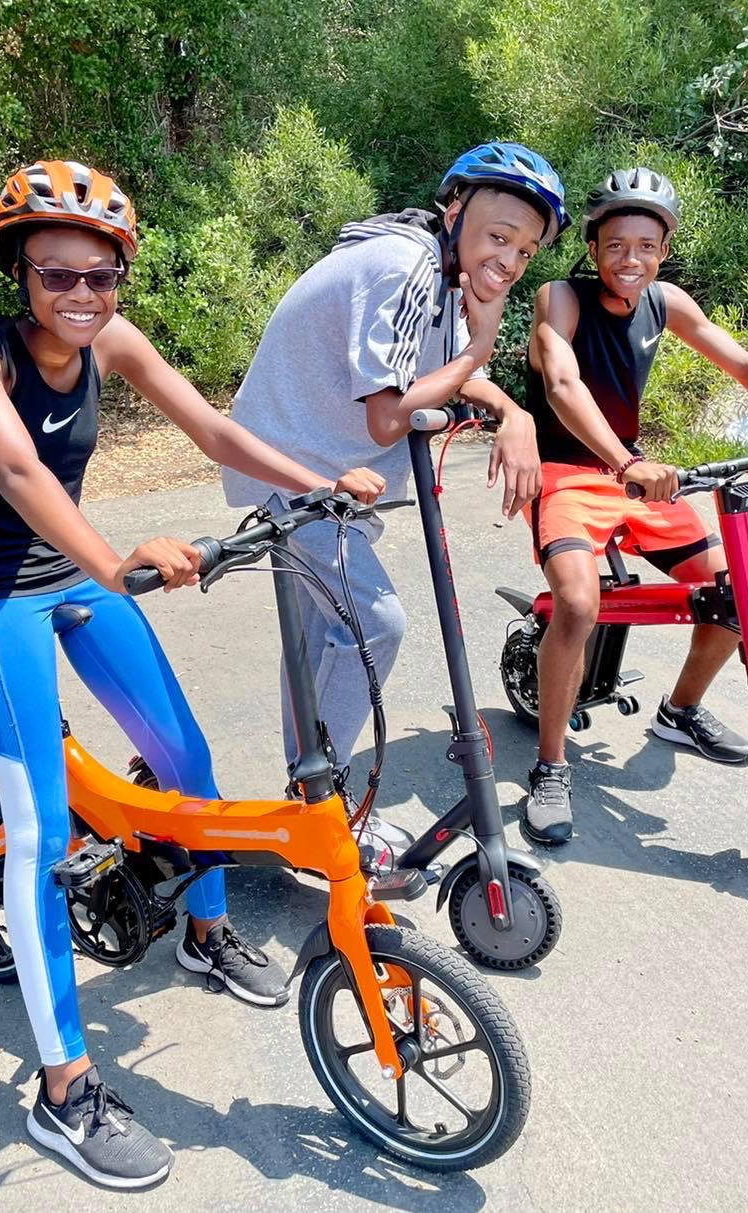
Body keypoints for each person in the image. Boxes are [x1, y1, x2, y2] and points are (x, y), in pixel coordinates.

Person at [0, 159, 384, 1187]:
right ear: (18, 272)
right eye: (57, 274)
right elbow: (16, 469)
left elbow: (215, 429)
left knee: (184, 754)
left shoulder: (113, 341)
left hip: (74, 575)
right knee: (42, 832)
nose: (81, 294)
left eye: (101, 276)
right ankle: (63, 1090)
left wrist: (322, 483)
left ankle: (206, 930)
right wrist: (113, 561)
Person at [520, 166, 748, 844]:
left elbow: (743, 365)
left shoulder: (666, 302)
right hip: (568, 474)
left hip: (636, 477)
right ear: (592, 249)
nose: (631, 259)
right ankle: (551, 766)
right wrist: (625, 462)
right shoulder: (559, 297)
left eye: (646, 246)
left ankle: (679, 712)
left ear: (665, 250)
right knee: (579, 606)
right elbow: (561, 382)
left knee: (740, 594)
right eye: (616, 245)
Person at [223, 142, 567, 809]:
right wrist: (480, 347)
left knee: (322, 633)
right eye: (500, 237)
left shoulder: (440, 274)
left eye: (526, 251)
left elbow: (441, 378)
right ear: (455, 210)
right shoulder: (404, 264)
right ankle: (324, 801)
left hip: (316, 470)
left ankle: (307, 794)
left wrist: (513, 411)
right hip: (293, 469)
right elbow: (389, 417)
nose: (510, 261)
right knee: (374, 624)